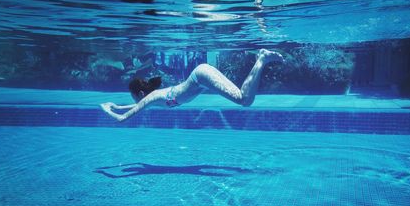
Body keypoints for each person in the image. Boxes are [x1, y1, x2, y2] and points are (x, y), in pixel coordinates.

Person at [100, 49, 284, 122]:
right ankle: (262, 58)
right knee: (244, 100)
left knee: (244, 100)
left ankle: (262, 58)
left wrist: (107, 109)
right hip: (201, 77)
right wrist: (116, 106)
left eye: (134, 97)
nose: (135, 100)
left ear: (140, 93)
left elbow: (121, 119)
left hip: (201, 77)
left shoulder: (151, 97)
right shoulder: (152, 98)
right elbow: (134, 106)